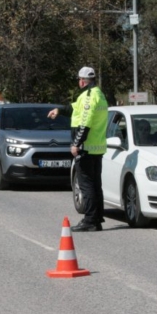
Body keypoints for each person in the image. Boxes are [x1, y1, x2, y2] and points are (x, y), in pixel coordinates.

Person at [48, 66, 109, 232]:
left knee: (86, 185)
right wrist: (59, 110)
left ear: (82, 81)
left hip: (86, 148)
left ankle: (90, 220)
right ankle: (97, 218)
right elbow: (74, 108)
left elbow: (85, 123)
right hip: (96, 148)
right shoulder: (99, 94)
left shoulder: (89, 96)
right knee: (95, 184)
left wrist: (76, 143)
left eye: (78, 80)